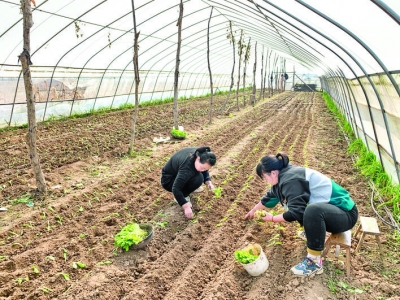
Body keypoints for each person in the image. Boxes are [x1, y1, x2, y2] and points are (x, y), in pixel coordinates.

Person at [245, 153, 358, 277]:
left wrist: (272, 218)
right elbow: (268, 197)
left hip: (345, 214)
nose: (265, 181)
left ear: (273, 173)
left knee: (312, 210)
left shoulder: (290, 180)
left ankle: (314, 262)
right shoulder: (283, 176)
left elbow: (296, 212)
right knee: (308, 209)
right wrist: (253, 211)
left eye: (264, 177)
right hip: (332, 212)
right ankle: (311, 231)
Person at [161, 146, 216, 219]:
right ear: (198, 159)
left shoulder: (200, 154)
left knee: (198, 175)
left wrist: (208, 181)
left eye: (205, 168)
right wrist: (185, 206)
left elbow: (205, 169)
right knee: (198, 179)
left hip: (178, 174)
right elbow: (176, 188)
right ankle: (183, 195)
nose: (203, 170)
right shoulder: (187, 168)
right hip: (168, 181)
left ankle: (190, 186)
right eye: (202, 167)